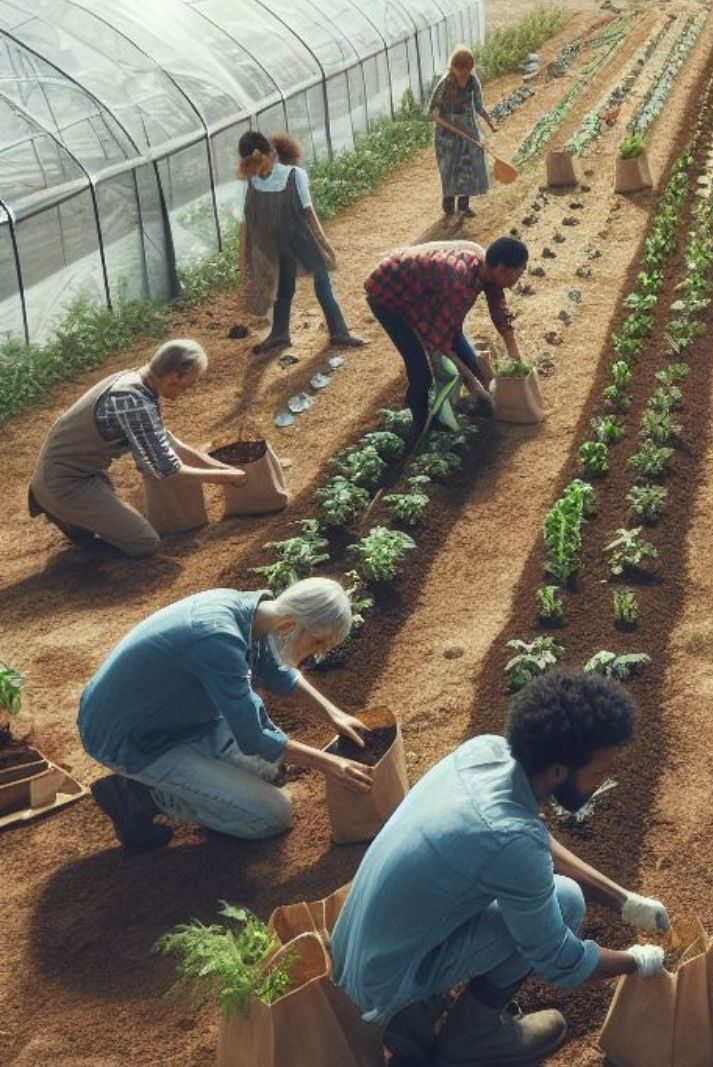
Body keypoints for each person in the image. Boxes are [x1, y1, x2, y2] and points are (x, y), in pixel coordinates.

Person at [331, 671, 670, 1067]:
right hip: (378, 992)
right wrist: (638, 960)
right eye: (596, 772)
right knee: (566, 905)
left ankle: (422, 1011)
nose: (602, 781)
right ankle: (471, 1037)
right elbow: (561, 961)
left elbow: (532, 836)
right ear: (559, 771)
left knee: (563, 894)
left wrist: (623, 901)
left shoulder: (486, 753)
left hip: (356, 954)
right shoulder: (510, 842)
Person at [77, 577, 374, 852]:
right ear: (291, 625)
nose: (319, 653)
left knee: (268, 771)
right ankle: (139, 796)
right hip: (130, 738)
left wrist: (333, 713)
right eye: (319, 642)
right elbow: (254, 737)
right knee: (273, 815)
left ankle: (188, 773)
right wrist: (330, 764)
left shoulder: (254, 613)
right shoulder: (215, 637)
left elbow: (277, 672)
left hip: (179, 718)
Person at [27, 340, 247, 557]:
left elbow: (170, 444)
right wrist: (226, 478)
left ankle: (70, 516)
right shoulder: (132, 400)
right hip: (64, 483)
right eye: (190, 382)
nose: (189, 389)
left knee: (113, 516)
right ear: (173, 378)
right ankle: (66, 522)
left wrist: (223, 467)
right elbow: (166, 470)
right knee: (144, 542)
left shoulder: (137, 382)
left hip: (79, 474)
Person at [365, 237, 529, 439]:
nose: (518, 279)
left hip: (423, 289)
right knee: (420, 369)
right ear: (502, 269)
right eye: (518, 273)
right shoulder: (457, 282)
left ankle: (480, 405)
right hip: (389, 294)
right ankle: (422, 426)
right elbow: (438, 342)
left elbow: (498, 309)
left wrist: (516, 357)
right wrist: (474, 385)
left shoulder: (488, 270)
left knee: (468, 357)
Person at [236, 131, 366, 355]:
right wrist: (244, 254)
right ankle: (279, 333)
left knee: (322, 283)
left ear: (270, 155)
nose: (255, 168)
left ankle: (338, 331)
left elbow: (308, 212)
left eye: (257, 162)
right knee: (283, 289)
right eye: (250, 164)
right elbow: (247, 220)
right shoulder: (252, 182)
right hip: (276, 245)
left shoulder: (295, 175)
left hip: (302, 239)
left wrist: (325, 244)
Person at [431, 47, 497, 219]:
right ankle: (448, 205)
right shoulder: (445, 83)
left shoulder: (473, 81)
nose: (464, 76)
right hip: (446, 136)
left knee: (468, 167)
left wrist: (490, 123)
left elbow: (479, 107)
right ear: (453, 67)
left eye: (467, 72)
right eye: (461, 72)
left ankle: (464, 205)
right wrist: (444, 122)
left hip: (468, 130)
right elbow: (435, 114)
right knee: (449, 168)